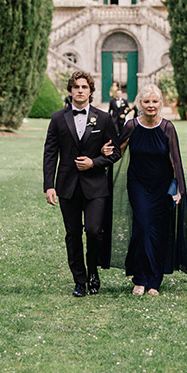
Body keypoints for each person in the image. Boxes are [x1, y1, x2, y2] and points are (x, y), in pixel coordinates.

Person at [43, 70, 121, 297]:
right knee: (73, 234)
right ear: (70, 90)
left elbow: (115, 152)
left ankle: (93, 271)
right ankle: (79, 279)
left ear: (90, 91)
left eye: (84, 87)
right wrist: (49, 185)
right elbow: (50, 153)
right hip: (67, 186)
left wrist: (94, 162)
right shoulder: (58, 118)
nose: (80, 90)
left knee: (95, 231)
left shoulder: (103, 118)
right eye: (76, 87)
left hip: (95, 185)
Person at [113, 83, 187, 296]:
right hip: (138, 185)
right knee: (143, 228)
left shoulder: (167, 128)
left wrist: (180, 189)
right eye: (146, 101)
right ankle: (140, 278)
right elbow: (117, 152)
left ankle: (154, 281)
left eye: (155, 101)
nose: (151, 105)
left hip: (161, 187)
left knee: (158, 232)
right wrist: (102, 151)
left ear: (160, 104)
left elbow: (175, 160)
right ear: (139, 104)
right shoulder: (131, 126)